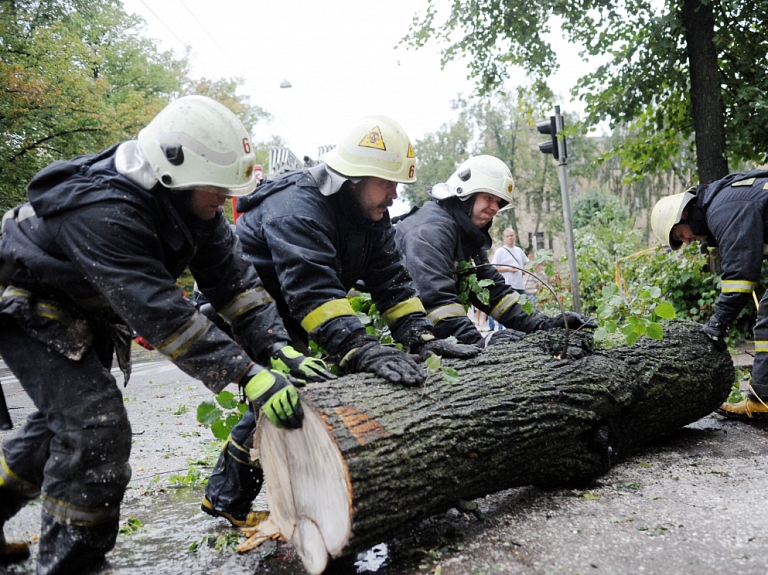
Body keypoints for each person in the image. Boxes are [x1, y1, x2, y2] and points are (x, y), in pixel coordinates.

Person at [0, 95, 335, 574]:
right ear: (174, 173)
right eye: (216, 188)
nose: (223, 198)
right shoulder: (104, 208)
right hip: (26, 298)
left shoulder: (194, 206)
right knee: (93, 425)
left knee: (58, 425)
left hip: (76, 303)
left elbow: (236, 286)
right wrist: (245, 374)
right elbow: (161, 313)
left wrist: (276, 348)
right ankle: (71, 562)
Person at [202, 115, 480, 527]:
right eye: (387, 183)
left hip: (292, 311)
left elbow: (392, 282)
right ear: (356, 177)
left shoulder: (371, 217)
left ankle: (263, 495)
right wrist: (361, 349)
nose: (394, 193)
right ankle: (226, 500)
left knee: (296, 395)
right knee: (282, 394)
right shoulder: (297, 206)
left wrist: (421, 337)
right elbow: (313, 293)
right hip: (248, 311)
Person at [395, 155, 596, 347]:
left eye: (498, 202)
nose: (494, 207)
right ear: (464, 194)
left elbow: (494, 293)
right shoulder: (429, 231)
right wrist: (480, 343)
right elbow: (436, 304)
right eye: (488, 197)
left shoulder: (465, 234)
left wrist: (542, 324)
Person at [650, 170, 768, 419]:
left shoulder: (724, 210)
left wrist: (718, 325)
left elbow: (740, 276)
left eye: (682, 235)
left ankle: (762, 401)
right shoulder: (726, 199)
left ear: (684, 214)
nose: (689, 241)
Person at [492, 228, 528, 295]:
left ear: (515, 236)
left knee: (522, 304)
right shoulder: (500, 251)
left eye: (511, 235)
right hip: (508, 285)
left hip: (520, 285)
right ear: (504, 238)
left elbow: (526, 263)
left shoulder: (519, 250)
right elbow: (494, 268)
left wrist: (523, 270)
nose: (510, 238)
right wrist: (508, 269)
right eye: (507, 236)